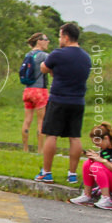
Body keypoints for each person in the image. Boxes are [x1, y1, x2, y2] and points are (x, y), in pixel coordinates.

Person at [35, 23, 92, 184]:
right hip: (78, 101)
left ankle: (47, 172)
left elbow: (44, 68)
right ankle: (72, 174)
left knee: (51, 134)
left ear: (66, 37)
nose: (59, 39)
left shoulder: (58, 54)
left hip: (59, 99)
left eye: (60, 36)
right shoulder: (86, 57)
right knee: (74, 137)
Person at [69, 122, 112, 210]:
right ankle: (87, 195)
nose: (97, 146)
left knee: (97, 166)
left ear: (106, 138)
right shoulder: (105, 149)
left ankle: (106, 199)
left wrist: (102, 161)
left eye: (98, 144)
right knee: (88, 163)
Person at [21, 32, 51, 153]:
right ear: (39, 41)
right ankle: (40, 150)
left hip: (28, 90)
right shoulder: (44, 56)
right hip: (40, 91)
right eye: (46, 39)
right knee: (41, 121)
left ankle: (25, 149)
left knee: (27, 120)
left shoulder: (28, 54)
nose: (48, 41)